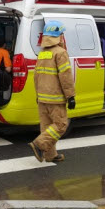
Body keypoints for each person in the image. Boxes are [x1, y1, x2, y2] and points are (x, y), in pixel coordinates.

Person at [29, 20, 76, 163]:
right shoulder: (60, 53)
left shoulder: (42, 53)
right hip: (55, 97)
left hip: (42, 97)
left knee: (47, 126)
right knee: (61, 125)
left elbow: (36, 76)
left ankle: (50, 155)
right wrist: (71, 96)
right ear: (59, 36)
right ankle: (39, 144)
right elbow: (65, 76)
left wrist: (37, 95)